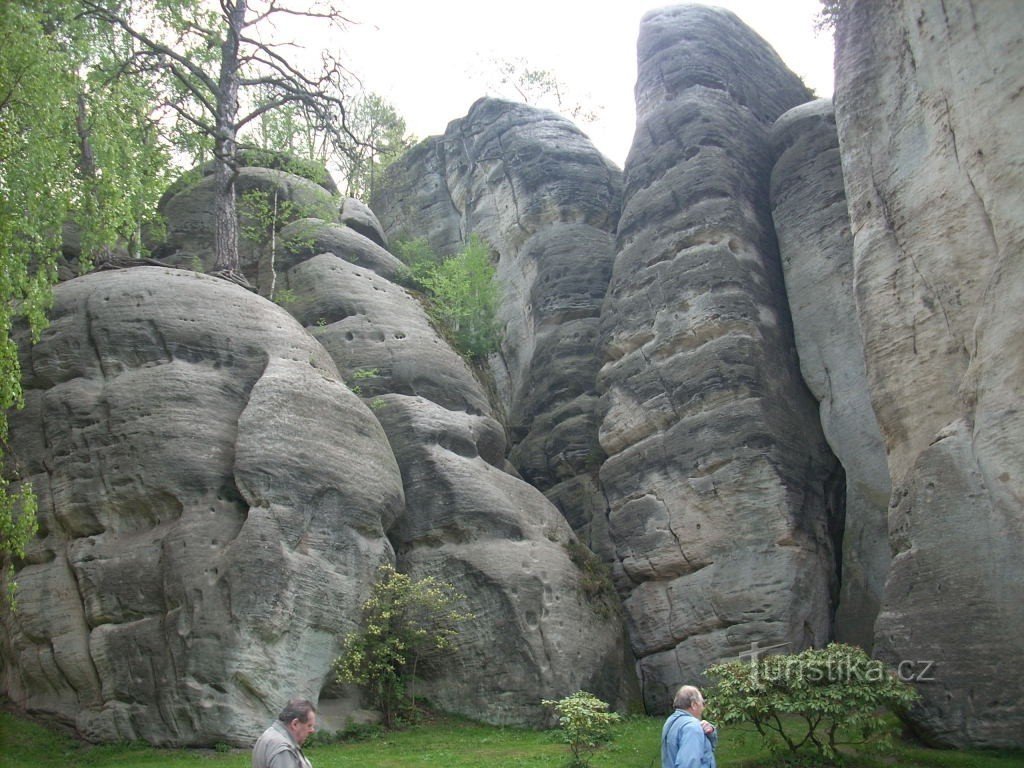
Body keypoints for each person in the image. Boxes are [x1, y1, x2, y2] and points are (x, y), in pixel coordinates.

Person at [661, 685, 717, 768]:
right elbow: (689, 763)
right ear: (694, 705)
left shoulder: (671, 721)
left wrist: (711, 732)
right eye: (702, 703)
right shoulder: (692, 727)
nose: (703, 707)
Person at [252, 698, 317, 768]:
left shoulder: (271, 734)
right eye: (309, 726)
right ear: (295, 724)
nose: (312, 730)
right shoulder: (282, 749)